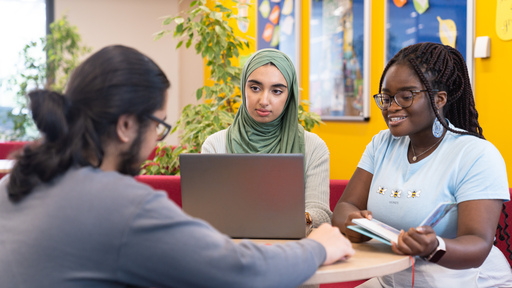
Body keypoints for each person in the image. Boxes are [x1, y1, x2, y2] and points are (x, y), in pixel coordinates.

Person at [0, 45, 355, 288]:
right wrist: (319, 247)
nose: (157, 139)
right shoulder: (126, 206)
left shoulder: (12, 184)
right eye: (159, 125)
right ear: (126, 126)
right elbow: (243, 272)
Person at [332, 42, 512, 287]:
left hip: (466, 281)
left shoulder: (476, 154)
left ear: (439, 99)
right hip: (393, 281)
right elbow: (345, 205)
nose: (391, 107)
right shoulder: (381, 144)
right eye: (386, 97)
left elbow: (478, 244)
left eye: (405, 97)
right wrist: (352, 223)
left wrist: (435, 247)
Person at [202, 49, 332, 232]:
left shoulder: (313, 147)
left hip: (291, 250)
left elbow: (321, 214)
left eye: (277, 91)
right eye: (255, 88)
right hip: (231, 250)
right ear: (243, 88)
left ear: (289, 96)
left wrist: (302, 219)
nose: (264, 100)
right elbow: (208, 215)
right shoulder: (215, 145)